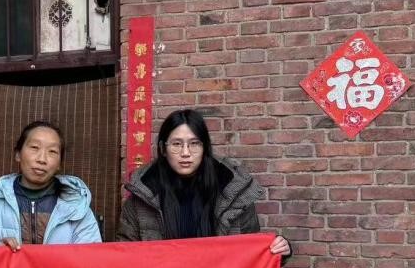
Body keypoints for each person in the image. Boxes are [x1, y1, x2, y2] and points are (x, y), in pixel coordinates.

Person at [117, 109, 291, 258]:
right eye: (176, 144)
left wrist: (279, 249)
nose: (185, 153)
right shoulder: (141, 199)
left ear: (205, 148)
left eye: (194, 144)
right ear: (163, 149)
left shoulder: (235, 193)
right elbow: (125, 258)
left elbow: (253, 251)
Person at [0, 120, 102, 249]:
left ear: (59, 164)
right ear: (18, 154)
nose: (42, 159)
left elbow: (91, 259)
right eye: (34, 148)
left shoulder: (77, 207)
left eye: (52, 151)